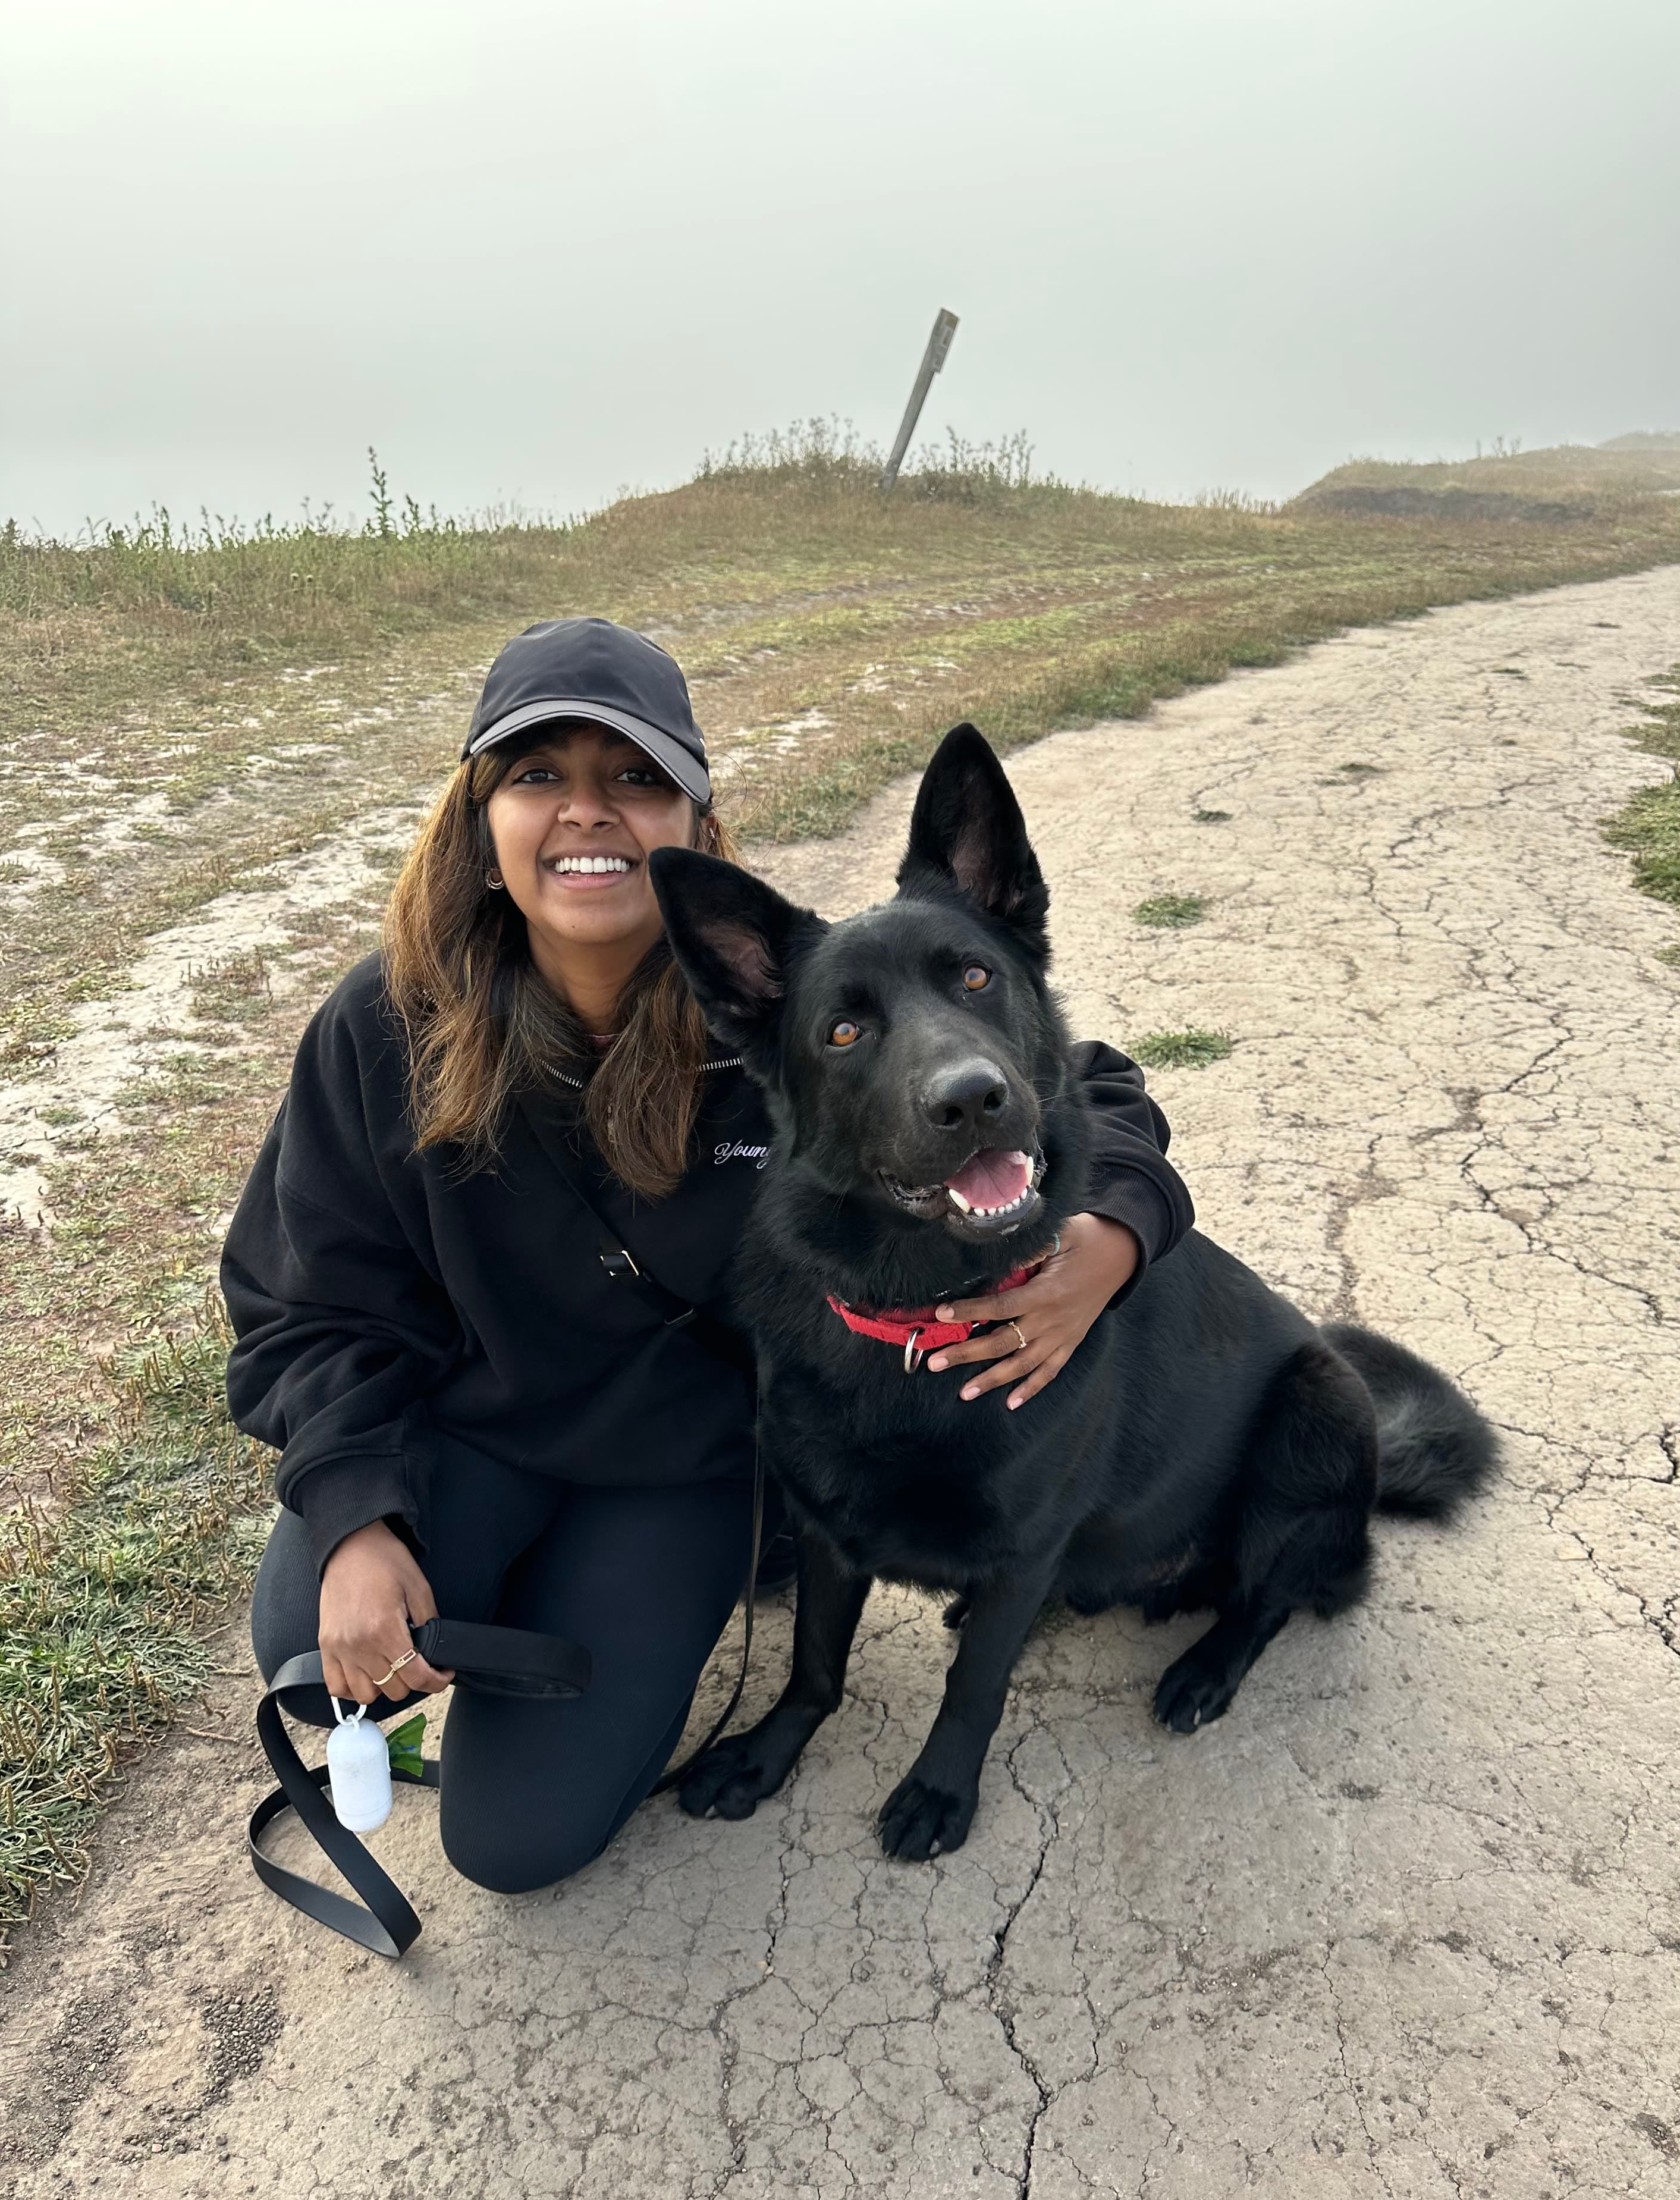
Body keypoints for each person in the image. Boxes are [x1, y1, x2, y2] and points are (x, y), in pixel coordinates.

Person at [225, 617, 1194, 1895]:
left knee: (516, 1845)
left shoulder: (779, 1006)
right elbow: (306, 1305)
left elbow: (1080, 1081)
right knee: (302, 1634)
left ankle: (628, 1605)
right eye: (539, 775)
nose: (588, 811)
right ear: (478, 822)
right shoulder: (382, 1026)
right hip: (474, 1434)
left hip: (681, 1472)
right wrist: (356, 1513)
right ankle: (494, 1574)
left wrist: (1110, 1242)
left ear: (694, 818)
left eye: (635, 778)